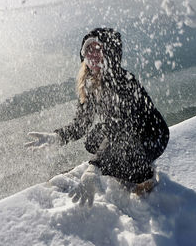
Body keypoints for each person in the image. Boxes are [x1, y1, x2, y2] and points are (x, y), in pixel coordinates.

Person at [25, 28, 169, 207]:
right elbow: (82, 123)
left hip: (151, 135)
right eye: (88, 50)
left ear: (109, 53)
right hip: (126, 132)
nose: (92, 55)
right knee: (92, 139)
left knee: (115, 155)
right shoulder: (91, 84)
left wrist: (94, 166)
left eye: (97, 49)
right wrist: (58, 137)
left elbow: (121, 130)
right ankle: (125, 165)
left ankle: (144, 175)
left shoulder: (124, 82)